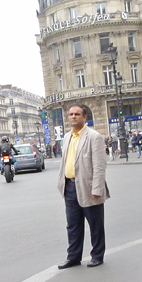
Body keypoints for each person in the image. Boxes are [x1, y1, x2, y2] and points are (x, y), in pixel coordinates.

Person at [57, 104, 109, 269]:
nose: (73, 117)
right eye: (71, 114)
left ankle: (97, 255)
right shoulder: (67, 137)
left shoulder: (94, 137)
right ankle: (73, 257)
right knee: (73, 225)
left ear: (84, 117)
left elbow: (100, 166)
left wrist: (97, 189)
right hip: (69, 186)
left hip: (88, 187)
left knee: (95, 224)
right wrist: (62, 184)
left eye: (77, 114)